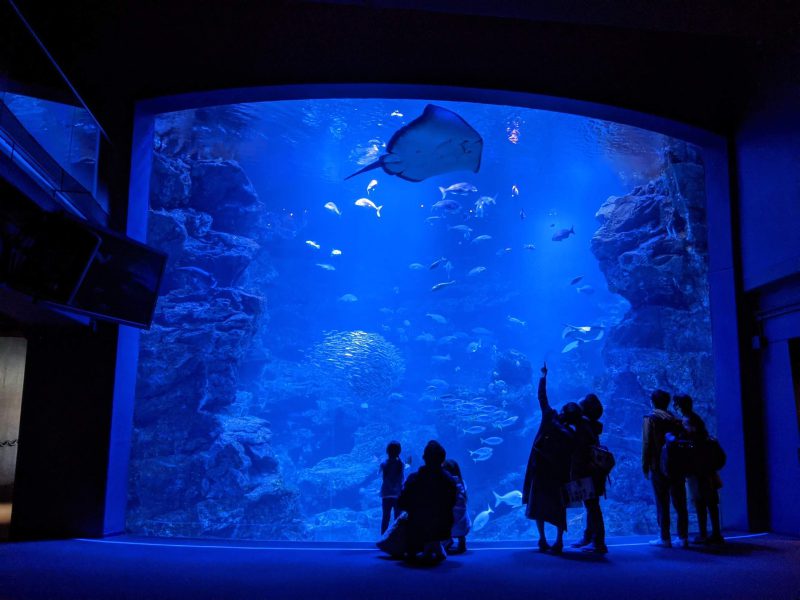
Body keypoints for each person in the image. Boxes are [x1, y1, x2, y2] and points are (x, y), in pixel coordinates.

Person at [522, 362, 579, 554]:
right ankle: (559, 541)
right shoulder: (571, 435)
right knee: (558, 505)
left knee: (538, 501)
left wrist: (543, 376)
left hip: (540, 468)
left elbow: (542, 397)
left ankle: (542, 539)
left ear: (562, 412)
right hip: (558, 473)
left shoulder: (549, 417)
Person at [673, 394, 724, 545]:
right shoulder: (696, 418)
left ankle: (705, 534)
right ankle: (714, 533)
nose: (675, 406)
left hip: (698, 467)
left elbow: (691, 440)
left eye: (676, 403)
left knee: (701, 500)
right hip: (706, 466)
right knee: (710, 500)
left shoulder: (688, 420)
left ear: (680, 405)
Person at [397, 440, 458, 563]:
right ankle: (434, 544)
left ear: (424, 457)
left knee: (406, 518)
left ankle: (420, 546)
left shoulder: (413, 479)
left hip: (418, 524)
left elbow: (402, 502)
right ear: (443, 459)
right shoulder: (449, 480)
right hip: (443, 525)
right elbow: (452, 503)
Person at [642, 389, 688, 548]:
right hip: (678, 465)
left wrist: (645, 465)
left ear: (653, 401)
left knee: (662, 501)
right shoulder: (676, 419)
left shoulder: (651, 418)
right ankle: (683, 537)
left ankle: (665, 537)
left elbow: (647, 443)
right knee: (680, 502)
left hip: (658, 465)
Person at [570, 393, 608, 554]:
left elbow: (580, 451)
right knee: (591, 505)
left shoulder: (584, 425)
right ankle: (589, 536)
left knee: (592, 506)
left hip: (587, 470)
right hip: (595, 471)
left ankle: (599, 542)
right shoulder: (591, 424)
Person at [379, 441, 410, 534]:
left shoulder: (383, 464)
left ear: (387, 451)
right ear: (399, 452)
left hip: (386, 494)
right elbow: (402, 479)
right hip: (397, 495)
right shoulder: (401, 464)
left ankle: (383, 537)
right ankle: (396, 538)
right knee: (397, 517)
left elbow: (382, 476)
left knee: (385, 517)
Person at [443, 459, 471, 554]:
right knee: (462, 512)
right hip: (463, 526)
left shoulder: (445, 483)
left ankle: (446, 541)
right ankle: (462, 541)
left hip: (448, 526)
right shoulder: (462, 483)